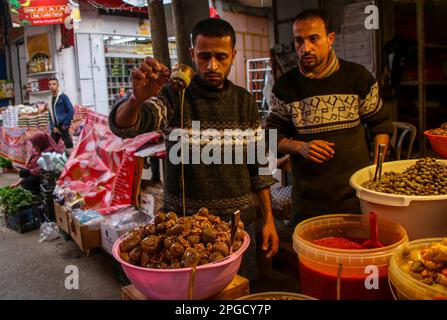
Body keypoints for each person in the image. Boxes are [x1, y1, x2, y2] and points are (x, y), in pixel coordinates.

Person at [109, 18, 279, 277]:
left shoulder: (244, 101)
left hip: (238, 226)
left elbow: (260, 168)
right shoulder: (174, 98)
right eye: (204, 56)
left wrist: (269, 220)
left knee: (239, 293)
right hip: (183, 233)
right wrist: (135, 100)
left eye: (221, 57)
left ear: (233, 54)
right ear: (192, 54)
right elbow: (126, 126)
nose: (212, 65)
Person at [266, 9, 392, 225]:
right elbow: (270, 136)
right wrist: (300, 147)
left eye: (313, 39)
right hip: (308, 203)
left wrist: (377, 174)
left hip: (356, 199)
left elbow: (380, 124)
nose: (306, 48)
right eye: (299, 41)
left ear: (330, 39)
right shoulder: (285, 87)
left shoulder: (357, 77)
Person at [48, 78, 74, 150]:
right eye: (50, 84)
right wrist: (52, 127)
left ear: (58, 85)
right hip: (55, 126)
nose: (52, 86)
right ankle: (54, 159)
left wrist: (65, 124)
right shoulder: (50, 98)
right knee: (51, 144)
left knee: (68, 144)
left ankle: (72, 159)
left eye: (54, 84)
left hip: (63, 125)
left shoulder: (63, 97)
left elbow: (71, 110)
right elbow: (50, 114)